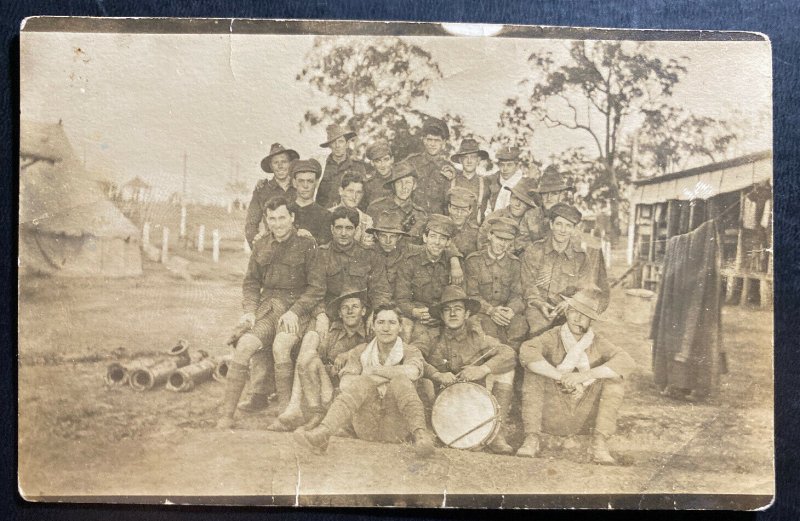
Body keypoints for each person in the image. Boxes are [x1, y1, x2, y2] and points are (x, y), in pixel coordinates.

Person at [219, 195, 319, 429]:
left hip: (297, 310)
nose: (277, 224)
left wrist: (295, 311)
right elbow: (251, 283)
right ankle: (226, 414)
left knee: (281, 346)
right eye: (272, 219)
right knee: (244, 346)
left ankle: (285, 414)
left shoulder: (307, 245)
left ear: (292, 218)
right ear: (266, 219)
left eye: (282, 217)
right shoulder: (261, 244)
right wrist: (249, 311)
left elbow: (317, 287)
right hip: (268, 309)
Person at [293, 304, 437, 457]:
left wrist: (374, 371)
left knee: (400, 380)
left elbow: (413, 372)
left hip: (396, 425)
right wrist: (378, 378)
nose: (386, 328)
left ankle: (421, 437)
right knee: (363, 383)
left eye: (392, 323)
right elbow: (346, 383)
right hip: (366, 424)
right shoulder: (361, 350)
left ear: (400, 327)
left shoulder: (410, 350)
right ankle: (323, 433)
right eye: (380, 323)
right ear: (373, 326)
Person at [517, 288, 636, 464]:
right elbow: (527, 351)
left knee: (615, 380)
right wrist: (561, 377)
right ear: (567, 311)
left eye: (583, 314)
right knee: (533, 373)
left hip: (583, 412)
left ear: (592, 319)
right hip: (553, 411)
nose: (576, 318)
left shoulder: (597, 341)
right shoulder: (553, 336)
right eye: (573, 311)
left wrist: (583, 377)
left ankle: (599, 442)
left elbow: (626, 361)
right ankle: (532, 438)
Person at [415, 285, 518, 455]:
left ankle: (497, 433)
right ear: (441, 315)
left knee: (505, 371)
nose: (453, 314)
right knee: (418, 373)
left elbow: (508, 354)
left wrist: (482, 369)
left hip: (472, 405)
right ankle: (428, 430)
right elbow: (413, 354)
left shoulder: (477, 337)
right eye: (447, 310)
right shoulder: (431, 336)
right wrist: (436, 374)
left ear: (467, 314)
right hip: (438, 402)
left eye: (458, 309)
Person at [269, 288, 370, 432]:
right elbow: (319, 357)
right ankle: (317, 414)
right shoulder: (334, 333)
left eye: (355, 307)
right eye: (345, 308)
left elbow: (374, 348)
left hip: (354, 392)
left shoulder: (370, 332)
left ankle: (342, 425)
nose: (350, 311)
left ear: (364, 311)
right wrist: (329, 368)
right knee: (308, 357)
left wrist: (348, 354)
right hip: (330, 390)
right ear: (340, 314)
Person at [520, 203, 609, 338]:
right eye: (559, 224)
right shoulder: (534, 250)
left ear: (573, 229)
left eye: (568, 226)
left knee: (578, 336)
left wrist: (569, 303)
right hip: (538, 308)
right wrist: (539, 303)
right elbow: (527, 285)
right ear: (551, 225)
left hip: (569, 308)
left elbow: (586, 288)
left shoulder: (581, 257)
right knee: (538, 333)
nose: (563, 230)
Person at [395, 214, 464, 344]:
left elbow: (459, 298)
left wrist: (440, 315)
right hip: (418, 315)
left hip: (444, 316)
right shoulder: (410, 261)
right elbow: (401, 298)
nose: (437, 242)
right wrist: (415, 312)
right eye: (433, 236)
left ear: (448, 243)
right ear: (425, 237)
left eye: (442, 238)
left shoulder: (454, 266)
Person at [465, 216, 528, 349]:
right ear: (490, 235)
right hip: (482, 312)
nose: (503, 244)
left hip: (505, 313)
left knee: (520, 327)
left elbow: (517, 295)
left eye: (508, 240)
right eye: (499, 238)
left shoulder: (515, 263)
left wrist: (511, 310)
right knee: (488, 336)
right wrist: (490, 310)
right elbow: (470, 295)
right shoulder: (474, 261)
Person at [245, 143, 299, 247]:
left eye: (284, 162)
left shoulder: (300, 187)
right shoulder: (262, 190)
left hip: (297, 247)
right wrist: (258, 249)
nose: (280, 166)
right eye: (276, 162)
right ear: (271, 166)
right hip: (272, 247)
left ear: (290, 164)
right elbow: (251, 224)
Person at [479, 177, 545, 255]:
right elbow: (481, 242)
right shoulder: (496, 217)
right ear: (510, 198)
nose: (517, 204)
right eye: (515, 198)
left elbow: (539, 246)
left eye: (522, 201)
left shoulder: (533, 220)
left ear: (528, 205)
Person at [366, 160, 428, 241]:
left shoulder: (420, 215)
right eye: (399, 182)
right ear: (393, 186)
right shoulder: (376, 208)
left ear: (414, 186)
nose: (404, 187)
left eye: (408, 182)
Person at [407, 118, 457, 215]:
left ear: (443, 143)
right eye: (429, 139)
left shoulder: (449, 169)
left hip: (436, 223)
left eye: (437, 140)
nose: (433, 144)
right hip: (412, 219)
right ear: (424, 140)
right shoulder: (411, 162)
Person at [316, 124, 368, 209]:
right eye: (334, 142)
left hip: (349, 215)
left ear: (347, 144)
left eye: (341, 141)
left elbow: (363, 195)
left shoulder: (357, 167)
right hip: (325, 214)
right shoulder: (321, 166)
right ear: (330, 146)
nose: (337, 146)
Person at [290, 159, 333, 245]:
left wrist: (311, 239)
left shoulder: (326, 216)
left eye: (310, 181)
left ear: (316, 183)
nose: (305, 186)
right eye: (301, 181)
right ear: (294, 183)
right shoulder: (285, 210)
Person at [449, 138, 491, 223]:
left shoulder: (485, 183)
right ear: (460, 160)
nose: (469, 161)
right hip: (453, 229)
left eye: (473, 157)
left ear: (478, 160)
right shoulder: (450, 180)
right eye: (465, 157)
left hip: (475, 231)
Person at [329, 172, 374, 247]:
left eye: (359, 192)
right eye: (350, 191)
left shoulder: (366, 221)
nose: (354, 196)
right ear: (341, 191)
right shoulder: (327, 214)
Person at [485, 146, 524, 216]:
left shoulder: (523, 183)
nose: (505, 169)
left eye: (509, 165)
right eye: (502, 165)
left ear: (517, 166)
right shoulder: (493, 180)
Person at [446, 187, 480, 258]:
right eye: (455, 209)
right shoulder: (440, 226)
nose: (459, 214)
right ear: (449, 207)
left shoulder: (476, 232)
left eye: (463, 210)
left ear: (470, 210)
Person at [362, 139, 394, 209]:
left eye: (386, 159)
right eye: (378, 161)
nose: (383, 165)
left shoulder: (400, 180)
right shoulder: (367, 185)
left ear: (392, 160)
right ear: (372, 163)